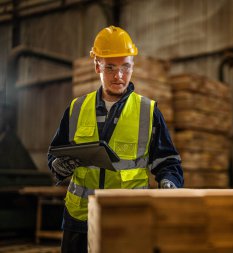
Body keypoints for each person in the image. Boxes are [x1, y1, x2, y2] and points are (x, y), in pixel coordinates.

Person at [47, 25, 184, 253]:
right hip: (80, 220)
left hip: (129, 217)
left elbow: (168, 161)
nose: (118, 76)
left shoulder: (148, 112)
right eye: (110, 67)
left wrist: (169, 184)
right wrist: (58, 166)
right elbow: (55, 154)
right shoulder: (76, 109)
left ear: (133, 66)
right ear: (96, 65)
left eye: (125, 67)